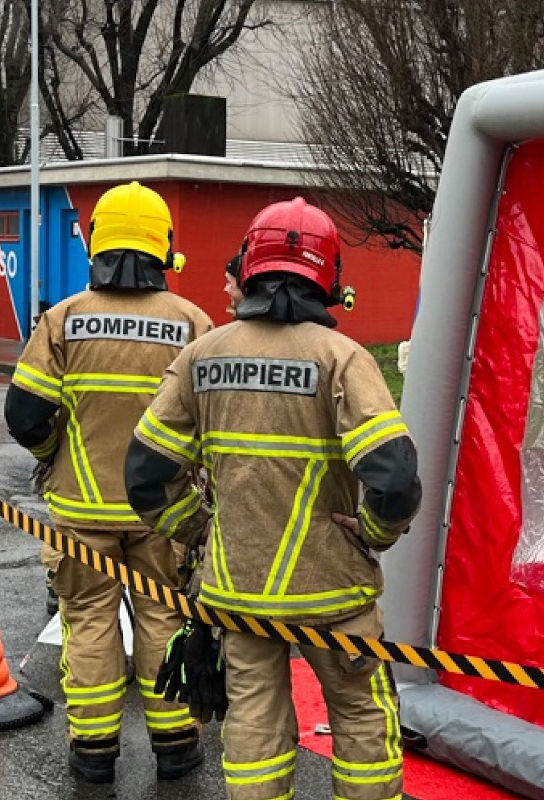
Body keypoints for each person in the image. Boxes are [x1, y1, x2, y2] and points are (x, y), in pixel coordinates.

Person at [124, 196, 421, 800]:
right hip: (335, 594)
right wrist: (374, 532)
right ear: (328, 275)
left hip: (239, 593)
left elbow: (145, 475)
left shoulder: (202, 356)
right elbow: (394, 476)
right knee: (362, 721)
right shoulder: (344, 360)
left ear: (249, 266)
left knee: (253, 728)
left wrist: (200, 530)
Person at [4, 181, 213, 782]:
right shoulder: (193, 322)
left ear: (96, 243)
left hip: (80, 515)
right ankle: (175, 745)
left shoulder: (63, 320)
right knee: (163, 620)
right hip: (163, 516)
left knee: (89, 622)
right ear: (161, 247)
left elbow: (24, 415)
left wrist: (54, 453)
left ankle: (93, 753)